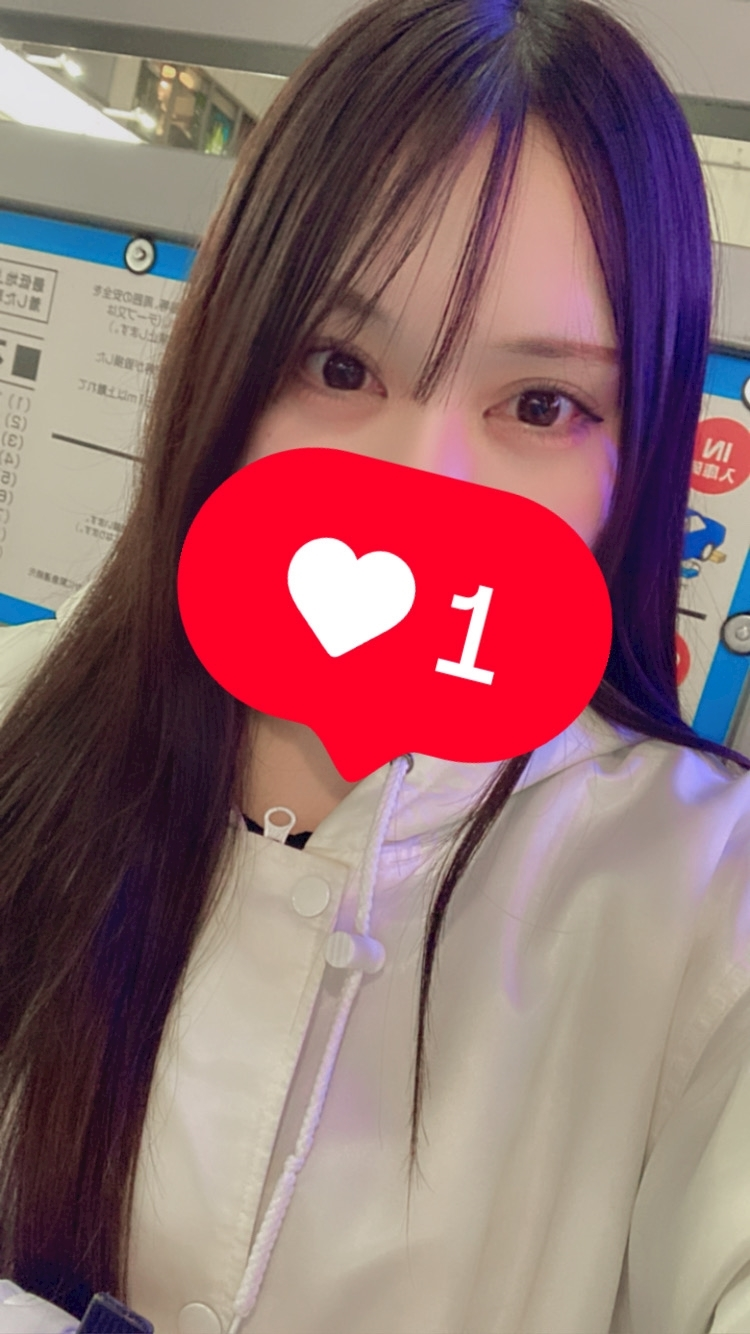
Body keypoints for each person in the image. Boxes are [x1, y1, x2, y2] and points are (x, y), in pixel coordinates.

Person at [1, 0, 750, 1331]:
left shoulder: (709, 895)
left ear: (634, 458)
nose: (421, 481)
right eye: (339, 364)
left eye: (540, 405)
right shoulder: (19, 717)